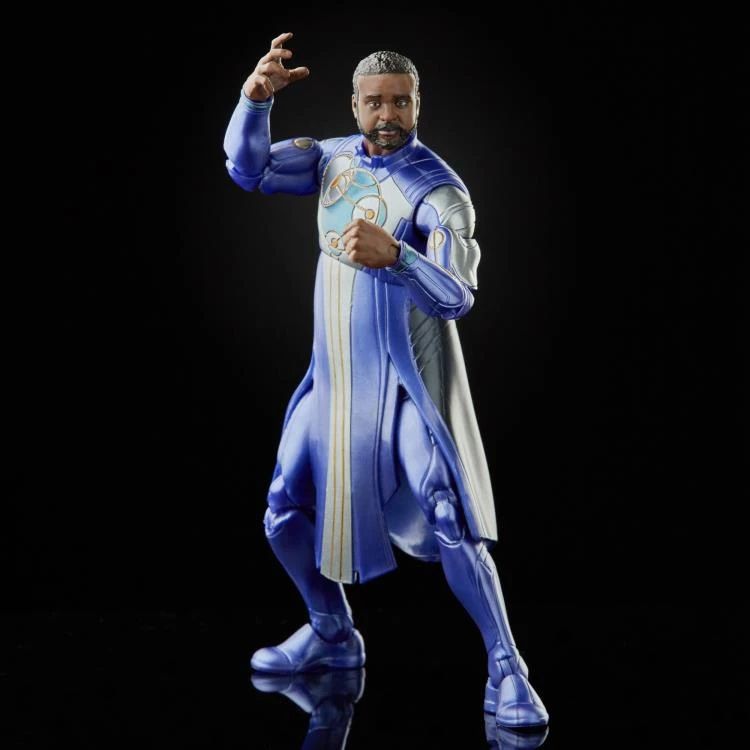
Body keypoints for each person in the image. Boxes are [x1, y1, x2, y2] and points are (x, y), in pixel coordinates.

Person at [223, 32, 549, 731]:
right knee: (282, 511)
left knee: (447, 512)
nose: (387, 114)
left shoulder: (439, 191)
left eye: (400, 101)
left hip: (403, 387)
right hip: (334, 379)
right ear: (355, 105)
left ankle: (507, 666)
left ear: (418, 103)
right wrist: (254, 103)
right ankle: (331, 633)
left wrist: (399, 255)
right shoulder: (332, 158)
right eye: (375, 102)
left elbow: (458, 295)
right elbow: (248, 171)